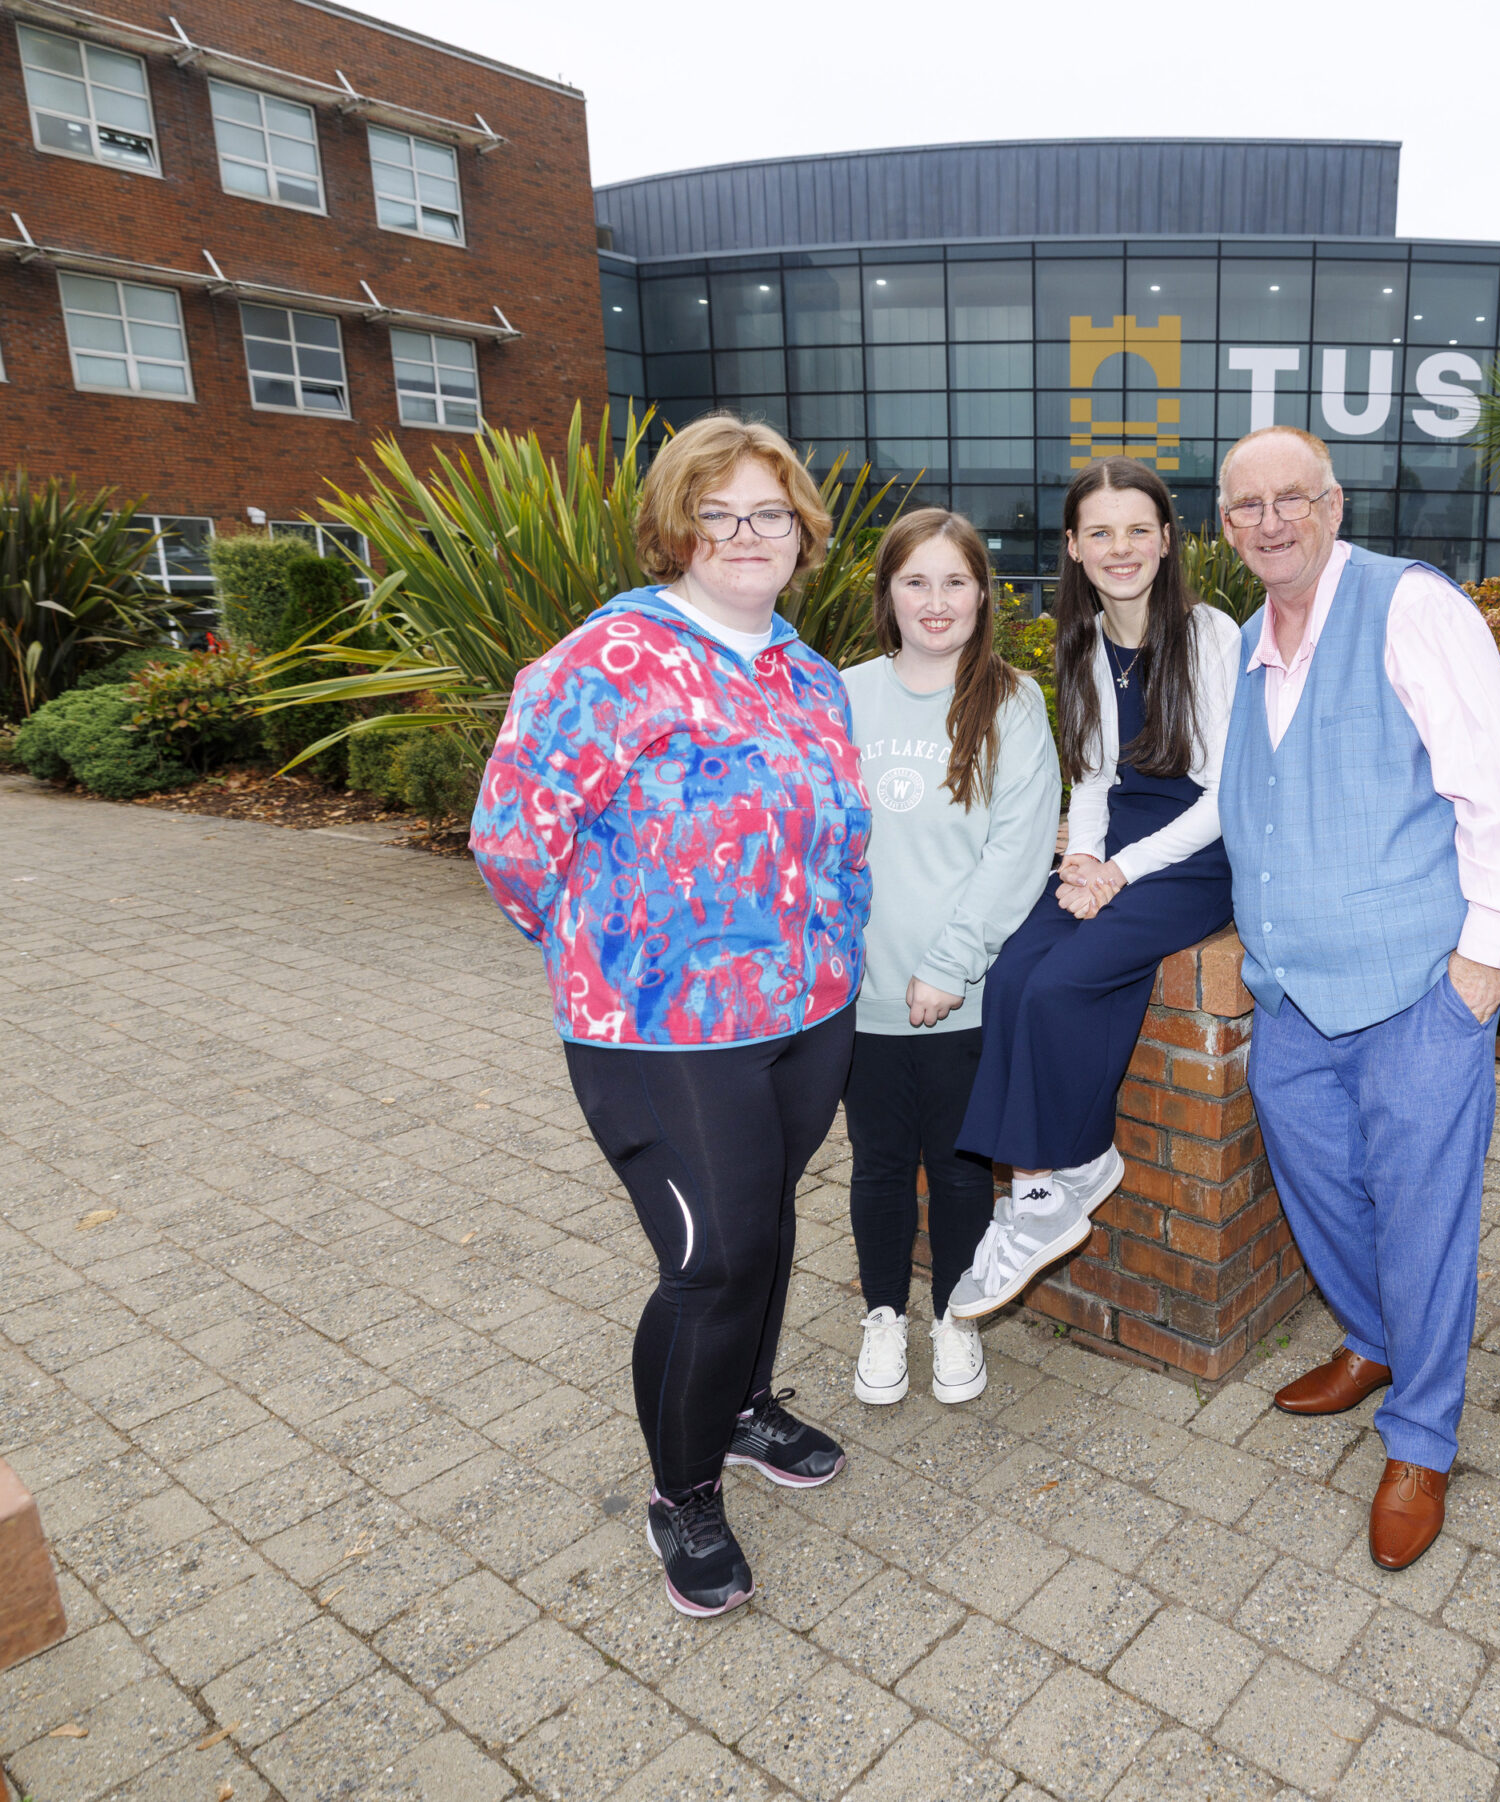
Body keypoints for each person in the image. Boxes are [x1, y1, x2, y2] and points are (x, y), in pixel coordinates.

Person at [471, 413, 868, 1620]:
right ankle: (680, 1489)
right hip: (661, 1034)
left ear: (801, 534)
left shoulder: (805, 669)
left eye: (770, 513)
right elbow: (509, 843)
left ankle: (740, 1408)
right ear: (676, 528)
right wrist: (622, 960)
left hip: (808, 1012)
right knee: (713, 1260)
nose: (748, 534)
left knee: (767, 1230)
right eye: (719, 512)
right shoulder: (609, 661)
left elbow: (840, 834)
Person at [1218, 425, 1500, 1570]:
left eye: (1290, 499)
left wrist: (1477, 975)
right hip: (1292, 998)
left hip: (1421, 989)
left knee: (1426, 1220)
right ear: (1224, 526)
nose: (1269, 522)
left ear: (1332, 503)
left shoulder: (1411, 606)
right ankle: (1371, 1337)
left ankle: (1420, 1434)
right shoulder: (1244, 643)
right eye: (1243, 507)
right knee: (1319, 1186)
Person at [946, 459, 1240, 1316]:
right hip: (1121, 844)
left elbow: (1224, 798)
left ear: (1166, 540)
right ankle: (1044, 1187)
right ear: (1073, 547)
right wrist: (1084, 860)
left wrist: (1118, 873)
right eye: (1100, 532)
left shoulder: (1209, 634)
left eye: (1138, 529)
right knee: (1010, 973)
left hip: (1198, 852)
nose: (1121, 548)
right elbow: (1095, 779)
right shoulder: (1079, 643)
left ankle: (1063, 1173)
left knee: (1066, 982)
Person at [838, 510, 1058, 1410]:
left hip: (960, 993)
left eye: (955, 582)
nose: (937, 601)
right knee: (878, 1162)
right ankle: (884, 1317)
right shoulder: (840, 692)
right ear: (889, 595)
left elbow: (1018, 848)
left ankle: (955, 1318)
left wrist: (951, 962)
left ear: (983, 594)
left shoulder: (1013, 701)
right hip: (854, 992)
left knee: (963, 1167)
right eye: (916, 582)